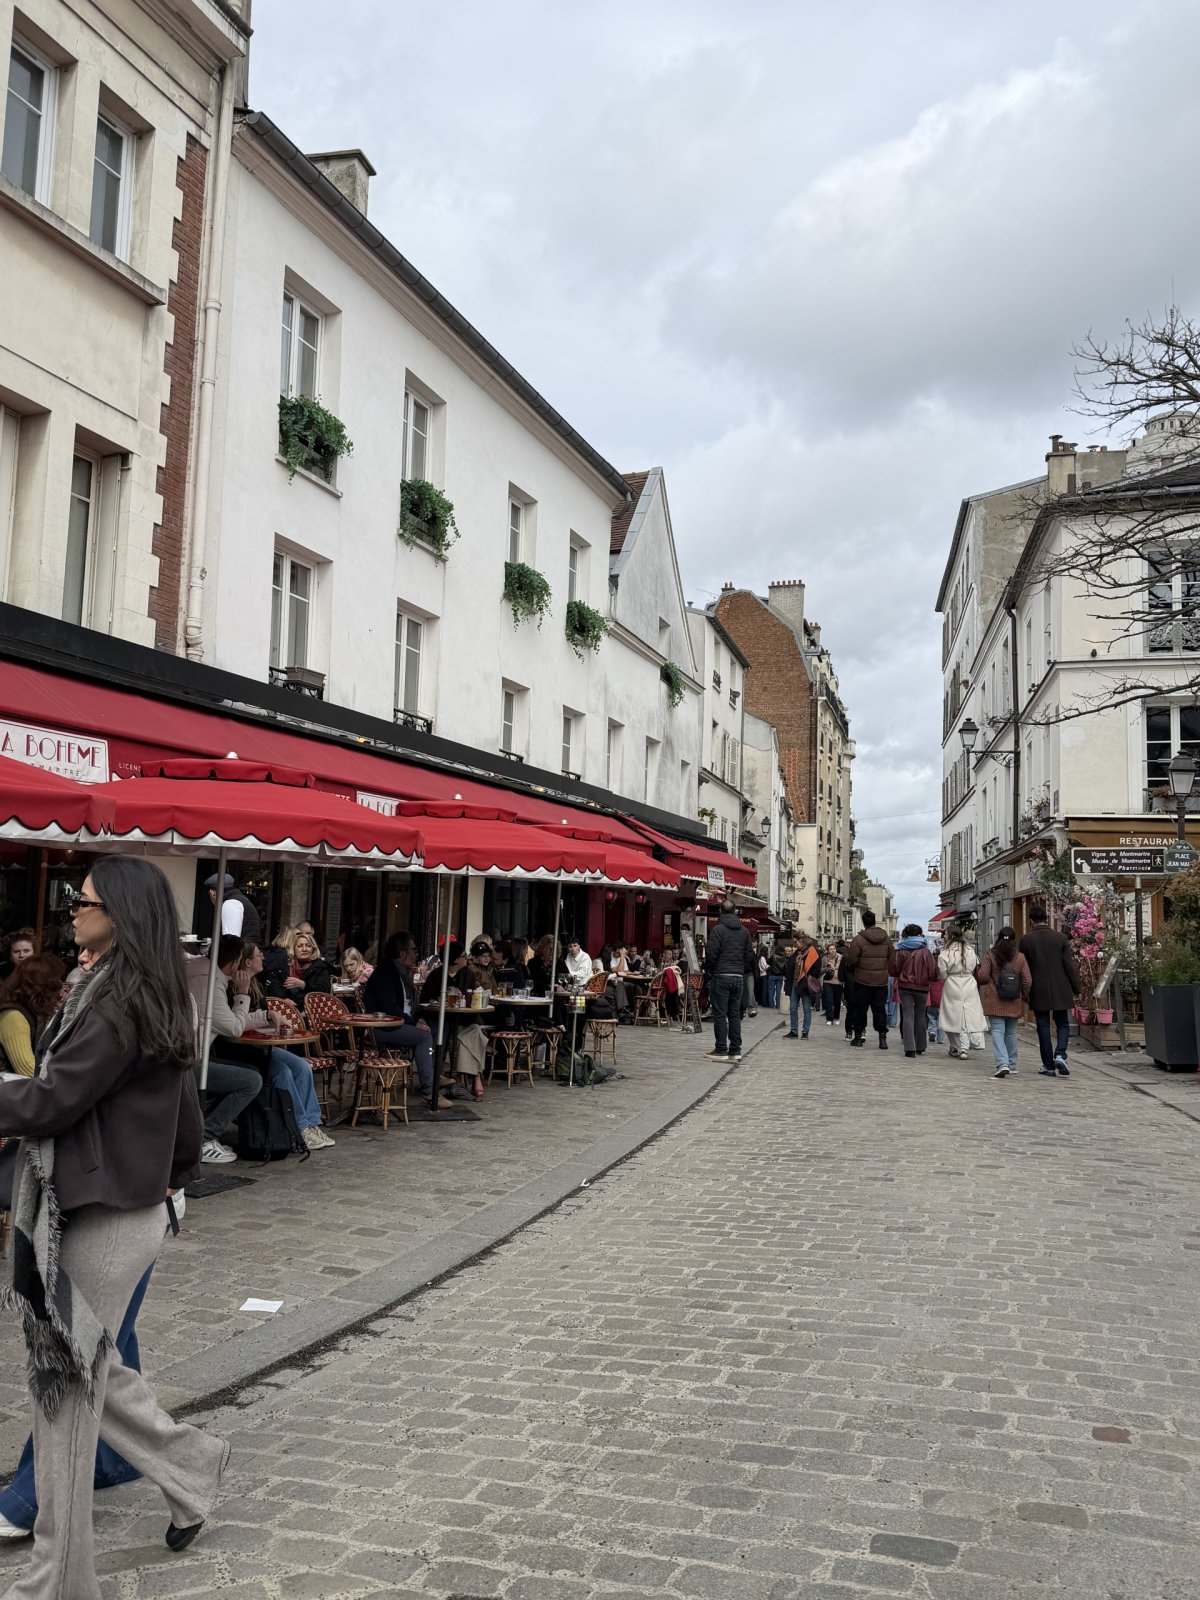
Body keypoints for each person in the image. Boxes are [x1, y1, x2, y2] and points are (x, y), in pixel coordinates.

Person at [0, 859, 229, 1596]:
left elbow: (49, 1103)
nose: (72, 909)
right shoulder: (146, 990)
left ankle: (56, 1581)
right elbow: (186, 1109)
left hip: (94, 1216)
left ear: (120, 913)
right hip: (124, 1209)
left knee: (62, 1392)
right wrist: (175, 1173)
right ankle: (189, 1466)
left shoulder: (112, 1002)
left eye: (84, 900)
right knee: (91, 1365)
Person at [188, 937, 330, 1152]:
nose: (263, 957)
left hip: (252, 1045)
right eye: (257, 955)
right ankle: (296, 1128)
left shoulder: (246, 982)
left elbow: (239, 1019)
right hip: (228, 1049)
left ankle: (310, 1124)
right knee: (273, 1073)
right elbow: (233, 1027)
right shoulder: (220, 985)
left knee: (301, 1067)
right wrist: (242, 994)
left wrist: (267, 1015)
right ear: (240, 962)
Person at [364, 931, 438, 1097]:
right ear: (403, 953)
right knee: (424, 1037)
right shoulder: (386, 973)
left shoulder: (404, 974)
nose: (416, 953)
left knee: (436, 1028)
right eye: (413, 949)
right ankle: (430, 1090)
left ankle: (433, 1075)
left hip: (399, 1022)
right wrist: (413, 1023)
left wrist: (419, 1019)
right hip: (382, 1026)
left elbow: (410, 1006)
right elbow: (389, 1008)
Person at [1019, 904, 1081, 1077]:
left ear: (1030, 920)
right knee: (1062, 1023)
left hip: (1038, 988)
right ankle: (1060, 1054)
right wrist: (1076, 988)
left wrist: (1024, 991)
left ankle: (1048, 1064)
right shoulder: (1060, 938)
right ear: (1046, 919)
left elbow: (1025, 968)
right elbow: (1069, 966)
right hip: (1061, 986)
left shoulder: (1026, 940)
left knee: (1043, 1026)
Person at [976, 925, 1032, 1077]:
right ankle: (1012, 1064)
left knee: (998, 1032)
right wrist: (1024, 995)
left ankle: (1002, 1063)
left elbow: (982, 977)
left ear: (998, 938)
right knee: (1011, 1033)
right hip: (1013, 999)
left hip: (995, 998)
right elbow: (1027, 980)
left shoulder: (991, 955)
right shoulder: (1020, 957)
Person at [703, 900, 754, 1062]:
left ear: (720, 911)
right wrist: (740, 969)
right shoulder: (745, 931)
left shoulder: (717, 930)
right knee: (734, 1015)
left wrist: (712, 971)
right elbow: (749, 956)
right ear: (735, 911)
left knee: (720, 1014)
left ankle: (721, 1049)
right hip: (738, 976)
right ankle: (735, 1050)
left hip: (722, 975)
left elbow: (711, 954)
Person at [0, 954, 66, 1075]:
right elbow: (28, 1069)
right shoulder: (13, 1016)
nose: (61, 993)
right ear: (41, 988)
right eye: (55, 987)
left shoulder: (36, 1012)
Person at [842, 910, 894, 1048]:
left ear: (864, 923)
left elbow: (852, 960)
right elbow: (891, 958)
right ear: (875, 921)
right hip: (881, 980)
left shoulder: (858, 939)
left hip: (862, 981)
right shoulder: (887, 939)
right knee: (879, 1009)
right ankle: (882, 1038)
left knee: (860, 1010)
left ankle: (858, 1037)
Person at [937, 921, 988, 1061]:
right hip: (969, 982)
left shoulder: (945, 952)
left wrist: (948, 978)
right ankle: (965, 1046)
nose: (944, 936)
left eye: (945, 934)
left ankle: (958, 1046)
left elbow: (942, 971)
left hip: (952, 983)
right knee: (968, 1015)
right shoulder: (970, 950)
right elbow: (975, 966)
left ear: (950, 936)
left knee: (953, 1016)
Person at [889, 926, 939, 1058]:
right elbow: (933, 972)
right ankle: (920, 1045)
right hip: (922, 987)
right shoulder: (926, 951)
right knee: (921, 1015)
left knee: (907, 1015)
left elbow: (893, 970)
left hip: (905, 986)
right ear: (919, 934)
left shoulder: (900, 950)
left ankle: (909, 1048)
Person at [204, 873, 262, 945]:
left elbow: (230, 943)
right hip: (248, 951)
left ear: (212, 893)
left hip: (244, 954)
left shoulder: (230, 904)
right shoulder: (239, 900)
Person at [783, 936, 819, 1039]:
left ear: (802, 941)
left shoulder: (812, 952)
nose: (794, 944)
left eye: (796, 941)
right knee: (793, 1008)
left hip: (805, 984)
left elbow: (816, 969)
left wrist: (809, 978)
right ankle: (794, 1031)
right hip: (794, 983)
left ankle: (805, 1032)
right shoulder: (796, 953)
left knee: (806, 1009)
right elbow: (790, 966)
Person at [820, 942, 843, 1026]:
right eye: (831, 949)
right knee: (829, 1001)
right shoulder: (824, 958)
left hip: (838, 982)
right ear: (828, 950)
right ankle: (829, 1018)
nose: (833, 950)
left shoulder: (841, 957)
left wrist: (835, 967)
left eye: (834, 949)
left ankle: (836, 1017)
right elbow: (821, 970)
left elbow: (843, 968)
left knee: (837, 1002)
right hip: (827, 981)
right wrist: (826, 968)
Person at [766, 942, 787, 1010]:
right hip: (780, 976)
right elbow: (785, 968)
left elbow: (769, 962)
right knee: (778, 991)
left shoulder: (773, 956)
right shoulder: (784, 958)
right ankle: (778, 1005)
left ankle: (771, 1005)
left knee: (771, 991)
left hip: (772, 975)